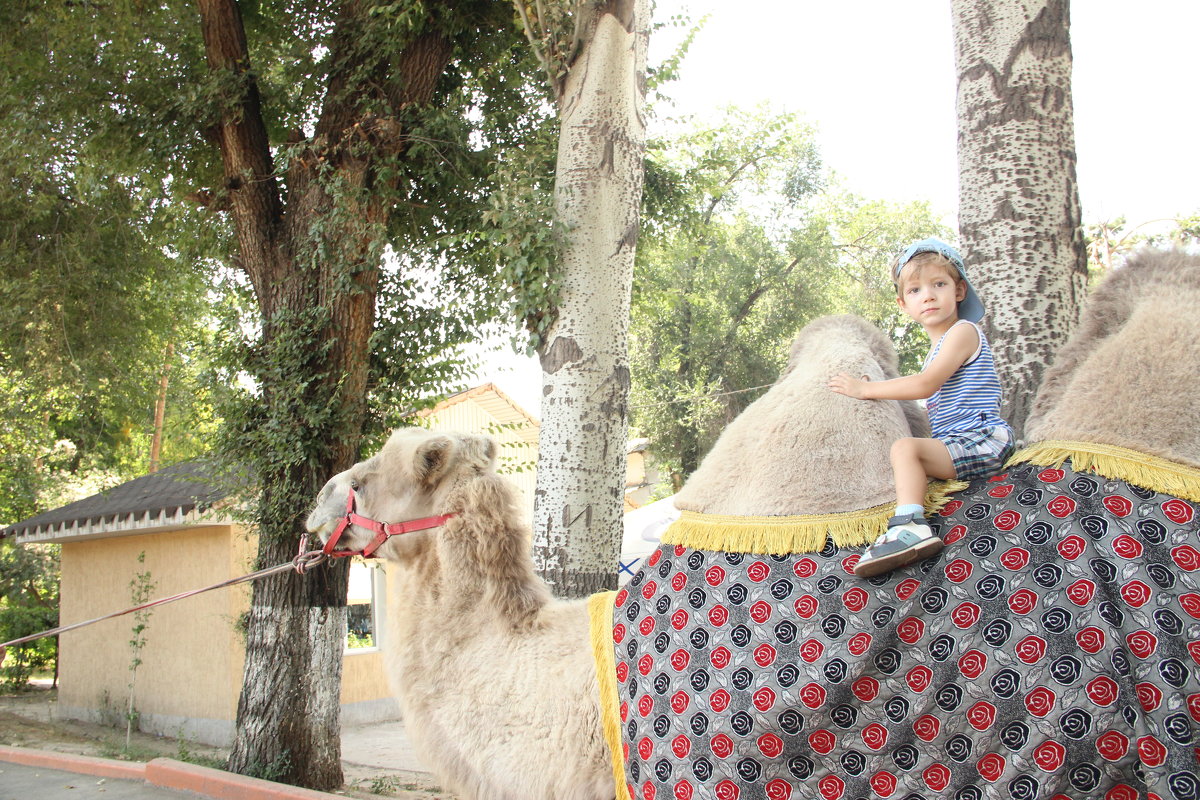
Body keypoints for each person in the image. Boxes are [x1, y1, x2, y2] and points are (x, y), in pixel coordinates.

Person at [829, 238, 1013, 578]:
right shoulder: (939, 347)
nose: (927, 295)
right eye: (915, 290)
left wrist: (866, 389)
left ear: (958, 291)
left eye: (938, 284)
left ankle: (910, 526)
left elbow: (925, 384)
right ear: (903, 304)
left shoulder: (963, 332)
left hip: (980, 438)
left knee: (904, 449)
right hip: (958, 440)